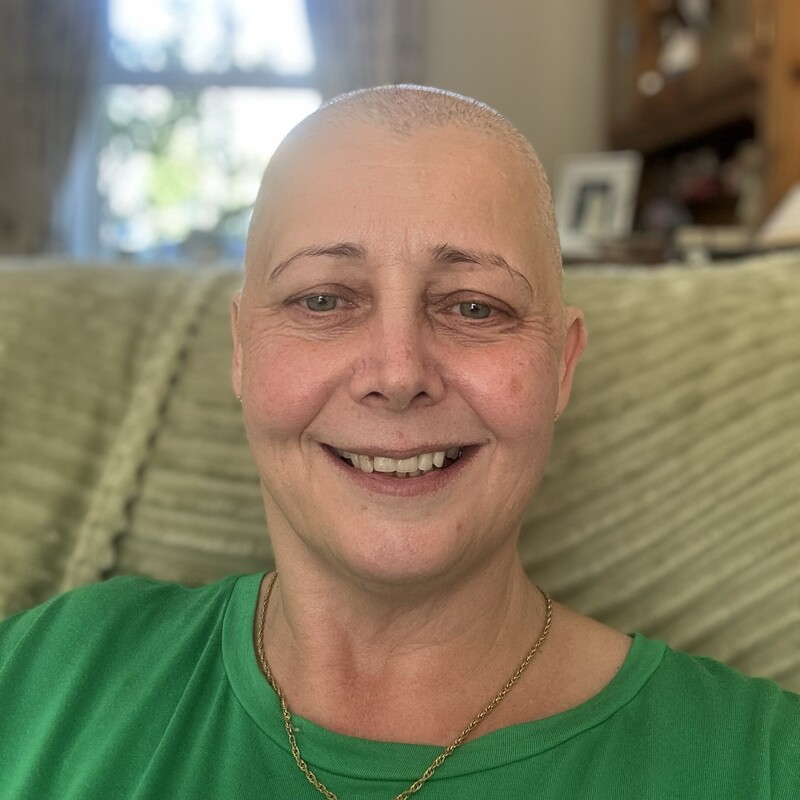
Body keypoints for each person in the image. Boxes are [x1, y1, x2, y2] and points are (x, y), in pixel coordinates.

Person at [0, 85, 798, 799]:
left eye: (475, 308)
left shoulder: (764, 761)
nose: (398, 371)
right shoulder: (45, 671)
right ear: (242, 351)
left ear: (562, 366)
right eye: (323, 299)